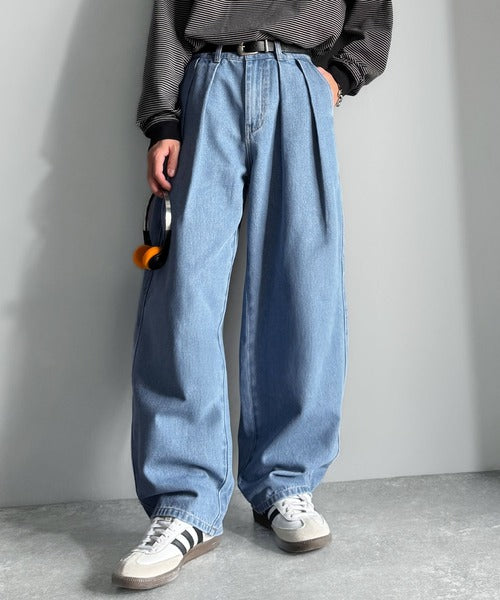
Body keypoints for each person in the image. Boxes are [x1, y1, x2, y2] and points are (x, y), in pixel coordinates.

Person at [112, 0, 393, 590]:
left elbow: (372, 10)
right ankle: (186, 503)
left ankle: (285, 482)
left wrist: (340, 76)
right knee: (183, 294)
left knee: (305, 289)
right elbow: (169, 15)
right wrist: (163, 120)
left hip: (299, 81)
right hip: (207, 83)